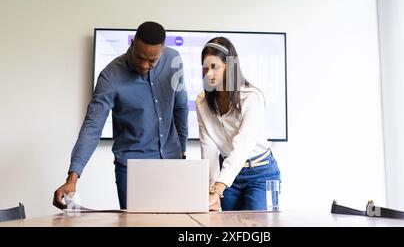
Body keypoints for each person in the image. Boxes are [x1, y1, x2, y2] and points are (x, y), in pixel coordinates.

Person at [53, 21, 189, 210]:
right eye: (140, 57)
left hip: (172, 163)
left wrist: (182, 154)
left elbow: (180, 108)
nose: (143, 65)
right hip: (132, 168)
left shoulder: (173, 60)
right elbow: (92, 127)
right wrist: (72, 177)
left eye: (152, 61)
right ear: (132, 43)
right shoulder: (110, 77)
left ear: (163, 51)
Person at [196, 37, 281, 211]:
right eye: (205, 68)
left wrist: (219, 187)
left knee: (258, 229)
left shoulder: (251, 96)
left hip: (260, 173)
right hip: (227, 174)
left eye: (215, 67)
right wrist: (212, 190)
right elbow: (209, 149)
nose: (209, 74)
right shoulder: (202, 101)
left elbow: (243, 145)